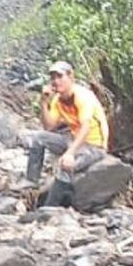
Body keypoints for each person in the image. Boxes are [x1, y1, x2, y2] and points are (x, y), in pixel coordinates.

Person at [26, 60, 108, 193]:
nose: (56, 81)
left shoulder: (82, 96)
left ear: (71, 77)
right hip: (74, 139)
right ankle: (31, 181)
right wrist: (44, 102)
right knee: (38, 138)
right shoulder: (58, 100)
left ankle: (53, 202)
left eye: (60, 77)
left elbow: (85, 127)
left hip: (93, 146)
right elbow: (49, 127)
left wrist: (70, 153)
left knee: (65, 165)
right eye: (53, 78)